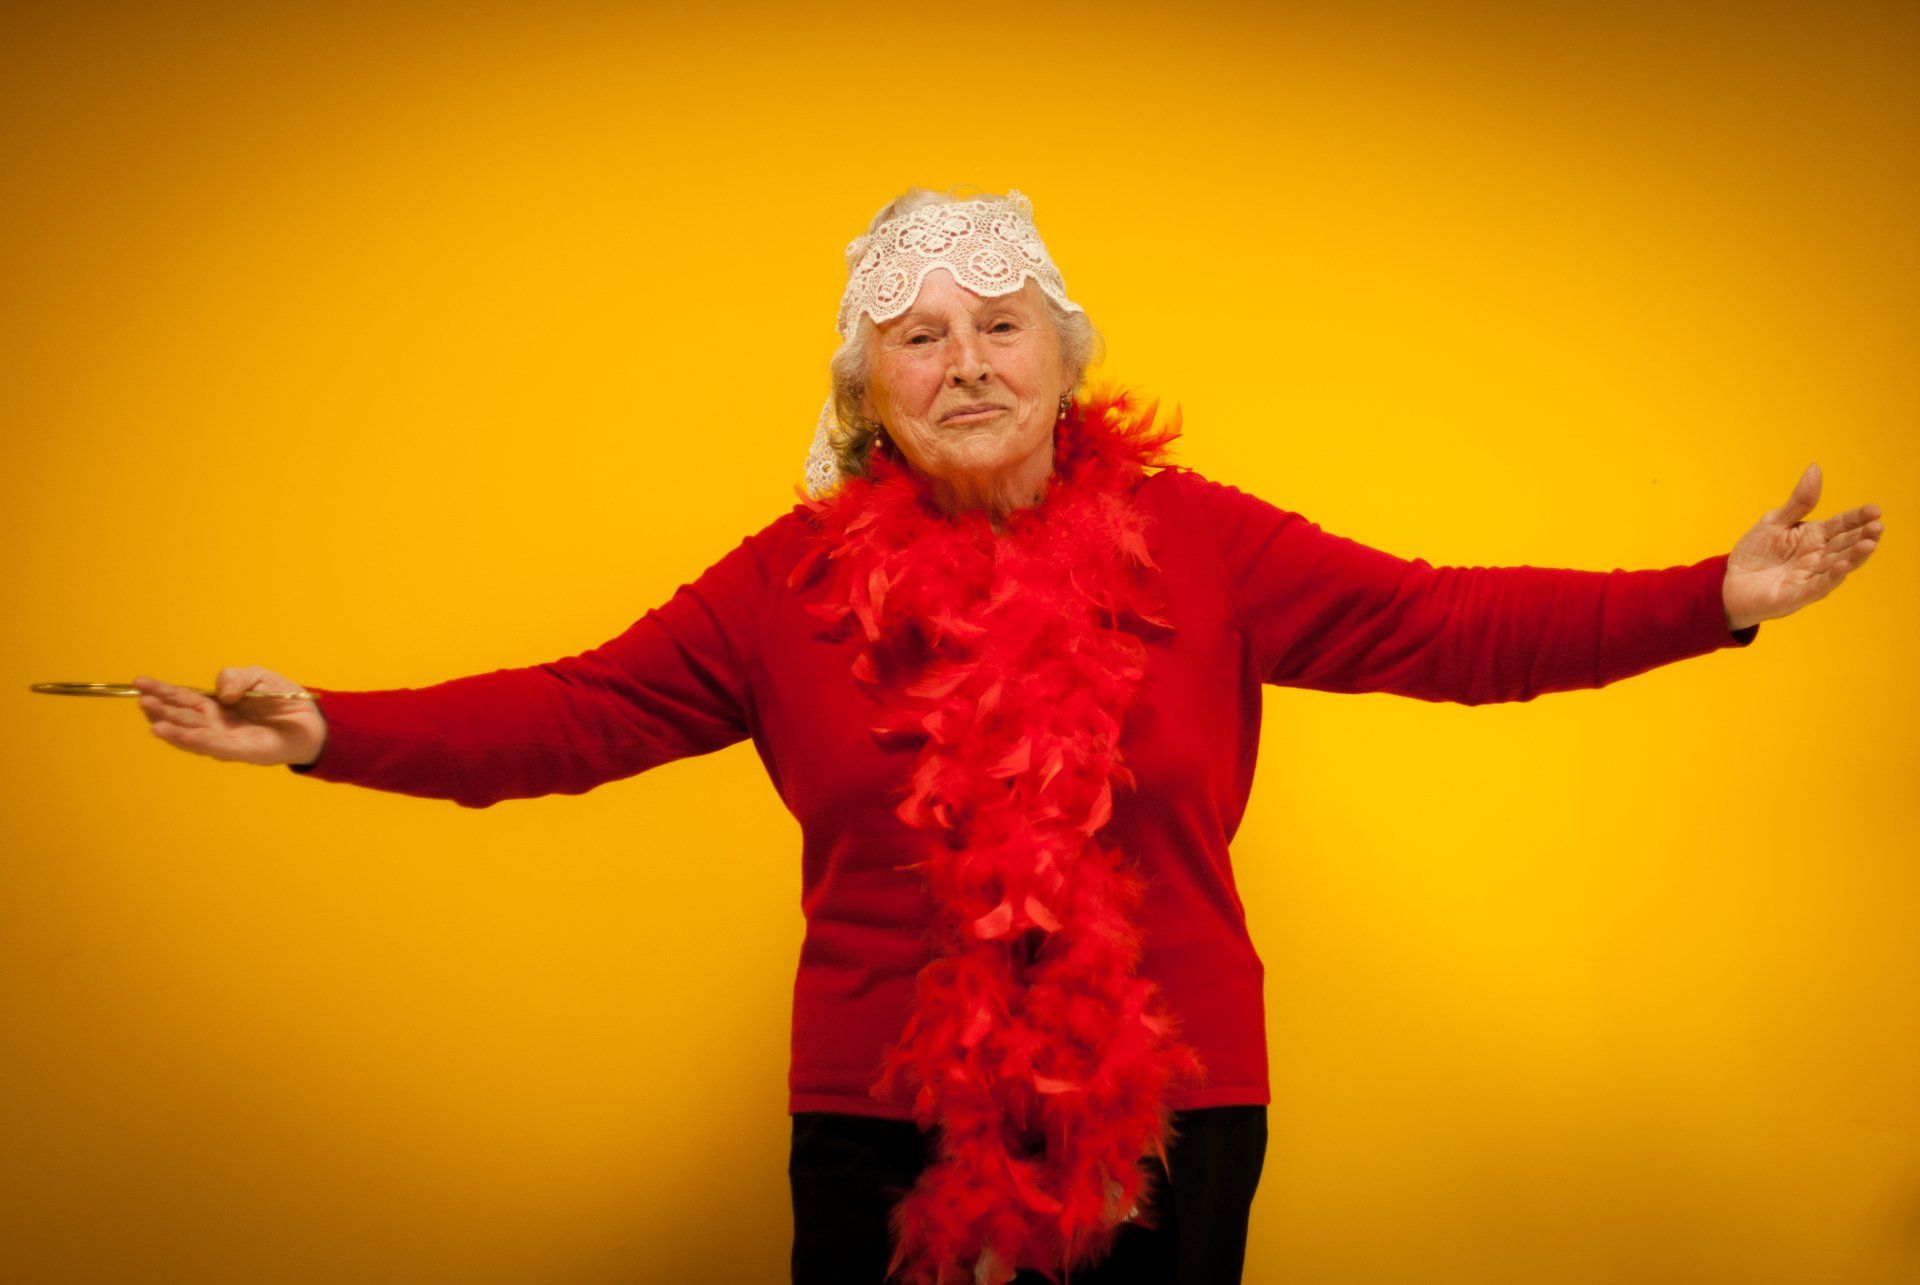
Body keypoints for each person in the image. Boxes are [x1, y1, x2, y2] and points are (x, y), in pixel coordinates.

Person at [130, 187, 1884, 1285]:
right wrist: (329, 727)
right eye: (917, 338)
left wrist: (1710, 594)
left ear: (1064, 354)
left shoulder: (1204, 544)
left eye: (999, 323)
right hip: (880, 1117)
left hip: (1168, 1108)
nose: (965, 361)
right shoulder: (784, 586)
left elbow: (1446, 627)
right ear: (862, 394)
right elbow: (575, 712)